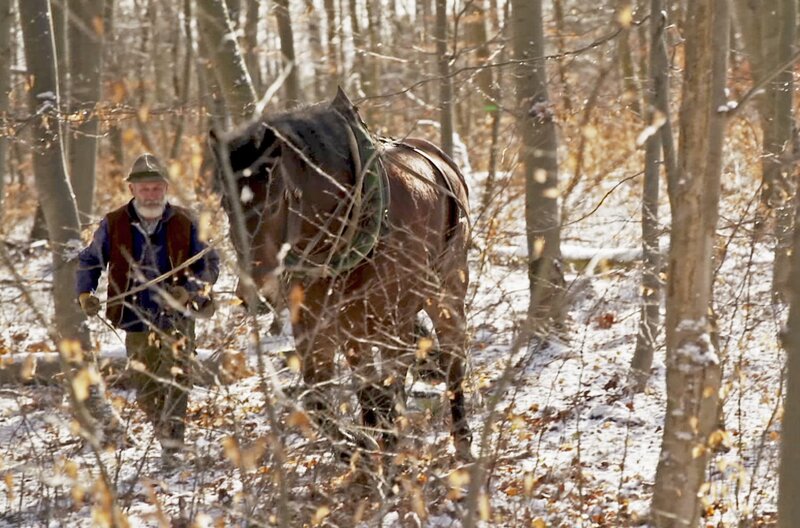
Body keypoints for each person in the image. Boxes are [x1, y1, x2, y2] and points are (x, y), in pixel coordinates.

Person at [76, 153, 219, 467]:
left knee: (178, 378)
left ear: (166, 188)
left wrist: (189, 291)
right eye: (144, 189)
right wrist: (85, 292)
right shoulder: (113, 222)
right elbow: (89, 260)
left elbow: (209, 263)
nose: (150, 194)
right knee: (145, 387)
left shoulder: (186, 220)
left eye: (156, 188)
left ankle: (173, 446)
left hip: (177, 316)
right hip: (134, 314)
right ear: (131, 189)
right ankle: (163, 430)